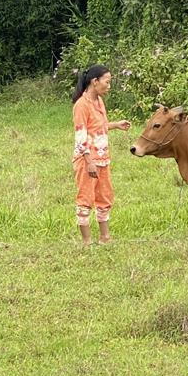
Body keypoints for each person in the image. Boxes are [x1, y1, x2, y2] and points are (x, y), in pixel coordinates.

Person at [71, 64, 131, 245]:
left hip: (103, 159)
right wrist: (89, 161)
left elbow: (98, 126)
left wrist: (116, 125)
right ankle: (86, 241)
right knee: (86, 197)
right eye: (107, 82)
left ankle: (105, 237)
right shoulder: (81, 105)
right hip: (87, 160)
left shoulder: (99, 102)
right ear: (94, 82)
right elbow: (81, 135)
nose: (109, 86)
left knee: (104, 196)